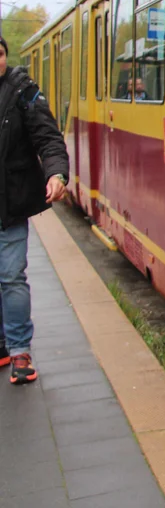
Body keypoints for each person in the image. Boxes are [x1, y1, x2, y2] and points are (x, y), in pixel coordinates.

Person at [0, 36, 69, 385]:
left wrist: (56, 172)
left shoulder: (22, 90)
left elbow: (48, 137)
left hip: (8, 204)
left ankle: (19, 351)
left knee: (11, 277)